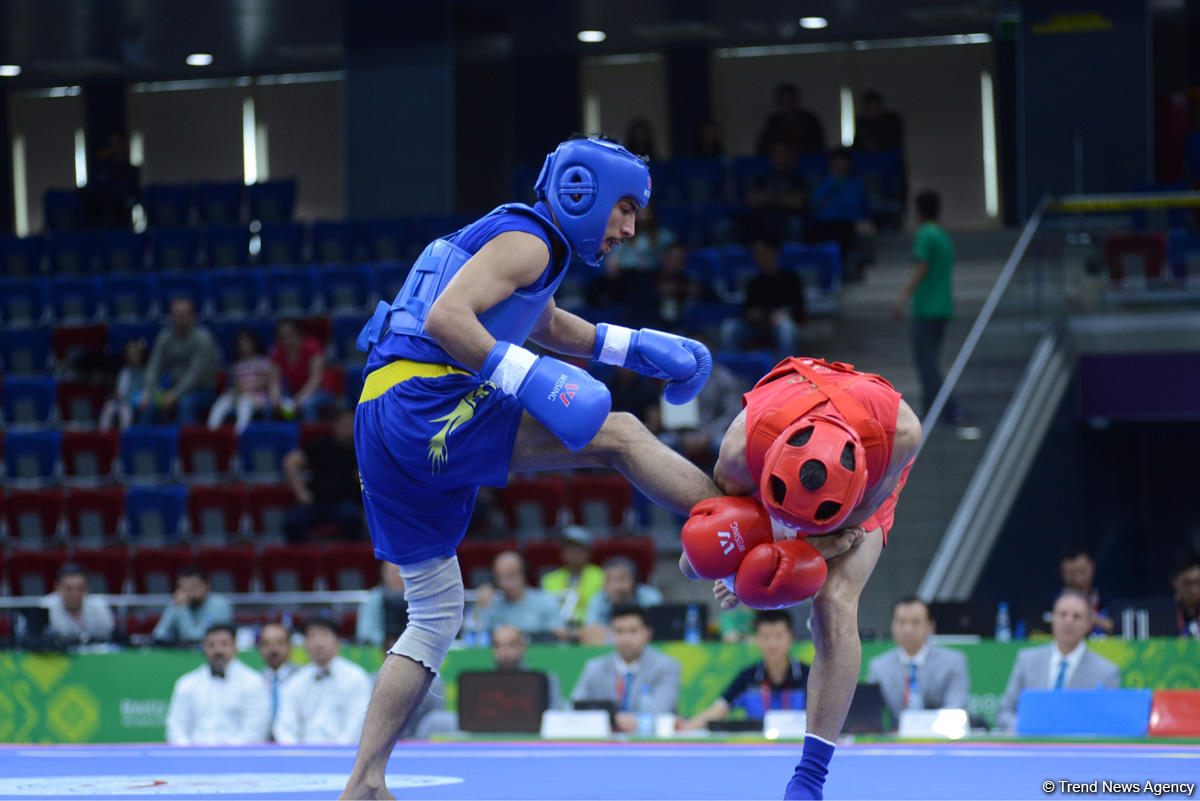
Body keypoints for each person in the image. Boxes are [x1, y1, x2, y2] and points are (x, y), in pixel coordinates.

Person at [341, 136, 717, 800]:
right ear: (582, 192)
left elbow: (541, 322)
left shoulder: (521, 242)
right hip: (426, 401)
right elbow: (447, 318)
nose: (629, 228)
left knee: (432, 613)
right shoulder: (530, 241)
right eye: (624, 208)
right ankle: (737, 529)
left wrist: (631, 348)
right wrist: (529, 377)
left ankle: (365, 780)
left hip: (380, 410)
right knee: (621, 433)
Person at [678, 355, 922, 799]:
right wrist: (736, 567)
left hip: (864, 466)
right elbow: (712, 539)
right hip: (783, 425)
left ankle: (809, 778)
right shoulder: (738, 454)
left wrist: (793, 557)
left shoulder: (901, 436)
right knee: (698, 557)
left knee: (834, 604)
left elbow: (847, 536)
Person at [997, 589, 1121, 733]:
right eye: (1063, 614)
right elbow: (1005, 712)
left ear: (1089, 623)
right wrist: (1025, 727)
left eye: (1077, 617)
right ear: (1053, 618)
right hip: (1032, 748)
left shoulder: (1106, 672)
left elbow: (1109, 723)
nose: (1068, 622)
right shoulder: (1027, 661)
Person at [412, 624, 567, 737]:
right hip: (481, 736)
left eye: (511, 645)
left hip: (529, 738)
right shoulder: (478, 683)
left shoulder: (545, 680)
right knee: (434, 721)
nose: (504, 652)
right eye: (498, 646)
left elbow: (554, 723)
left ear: (522, 647)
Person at [893, 190, 961, 425]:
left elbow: (922, 268)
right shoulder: (943, 236)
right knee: (929, 362)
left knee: (927, 363)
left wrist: (902, 298)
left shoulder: (925, 234)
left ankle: (947, 408)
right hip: (941, 307)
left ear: (919, 210)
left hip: (927, 308)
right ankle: (935, 411)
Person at [681, 610, 809, 730]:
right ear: (757, 639)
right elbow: (718, 710)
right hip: (757, 747)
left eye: (779, 636)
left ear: (792, 637)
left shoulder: (809, 676)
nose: (772, 644)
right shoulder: (747, 677)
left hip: (799, 746)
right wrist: (685, 727)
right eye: (766, 637)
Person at [571, 605, 681, 733]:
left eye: (633, 631)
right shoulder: (595, 668)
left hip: (650, 744)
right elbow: (576, 708)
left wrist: (621, 721)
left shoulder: (666, 667)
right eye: (619, 631)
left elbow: (661, 712)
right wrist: (615, 720)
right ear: (610, 634)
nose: (626, 639)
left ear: (648, 633)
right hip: (604, 744)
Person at [165, 624, 272, 745]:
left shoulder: (254, 682)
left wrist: (224, 755)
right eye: (211, 645)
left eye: (224, 644)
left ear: (235, 646)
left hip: (240, 759)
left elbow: (255, 730)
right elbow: (175, 727)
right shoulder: (186, 684)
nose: (218, 650)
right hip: (194, 759)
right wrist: (191, 755)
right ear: (203, 648)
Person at [865, 597, 969, 722]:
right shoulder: (879, 667)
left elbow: (956, 708)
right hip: (896, 738)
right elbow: (870, 714)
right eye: (901, 622)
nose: (907, 629)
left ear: (930, 626)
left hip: (939, 737)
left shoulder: (953, 662)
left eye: (915, 623)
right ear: (892, 626)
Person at [274, 618, 372, 744]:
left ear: (338, 641)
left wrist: (335, 754)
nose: (318, 643)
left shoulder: (357, 678)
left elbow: (357, 725)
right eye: (312, 636)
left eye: (325, 636)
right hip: (302, 756)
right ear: (304, 643)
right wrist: (296, 754)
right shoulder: (294, 682)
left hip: (346, 756)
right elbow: (285, 727)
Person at [282, 408, 364, 543]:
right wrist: (301, 492)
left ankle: (343, 559)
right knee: (293, 522)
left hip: (346, 503)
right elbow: (290, 462)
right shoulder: (321, 445)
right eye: (344, 425)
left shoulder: (361, 450)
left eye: (351, 425)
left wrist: (362, 477)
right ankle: (306, 557)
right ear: (336, 425)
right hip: (316, 501)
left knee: (352, 519)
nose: (347, 429)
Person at [720, 238, 805, 360]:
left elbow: (799, 307)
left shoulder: (790, 278)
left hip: (779, 324)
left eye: (763, 253)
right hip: (757, 325)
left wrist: (785, 312)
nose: (760, 257)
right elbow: (746, 308)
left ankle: (787, 371)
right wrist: (751, 314)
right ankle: (734, 372)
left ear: (774, 253)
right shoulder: (754, 281)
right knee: (729, 328)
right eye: (757, 254)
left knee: (786, 328)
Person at [139, 297, 220, 424]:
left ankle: (186, 443)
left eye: (184, 315)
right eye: (176, 315)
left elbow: (195, 375)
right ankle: (144, 442)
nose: (180, 319)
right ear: (170, 317)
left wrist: (174, 395)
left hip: (202, 390)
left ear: (192, 316)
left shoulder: (203, 339)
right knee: (150, 404)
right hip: (172, 389)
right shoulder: (165, 337)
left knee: (186, 404)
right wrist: (150, 392)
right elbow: (154, 367)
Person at [207, 328, 281, 433]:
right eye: (241, 344)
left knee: (244, 402)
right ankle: (212, 431)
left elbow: (267, 382)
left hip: (257, 398)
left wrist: (249, 387)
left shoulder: (264, 362)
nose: (244, 347)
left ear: (254, 344)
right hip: (239, 394)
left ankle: (238, 434)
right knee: (222, 401)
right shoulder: (236, 366)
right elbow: (235, 385)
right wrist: (238, 389)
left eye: (247, 343)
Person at [807, 149, 866, 277]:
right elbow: (816, 202)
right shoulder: (825, 182)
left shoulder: (855, 184)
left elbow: (853, 204)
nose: (840, 165)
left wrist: (831, 203)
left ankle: (840, 272)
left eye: (843, 161)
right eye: (836, 161)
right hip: (824, 223)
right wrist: (831, 183)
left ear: (848, 163)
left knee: (842, 235)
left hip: (846, 223)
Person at [475, 551, 563, 638]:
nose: (504, 583)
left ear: (523, 574)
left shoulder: (545, 602)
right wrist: (481, 608)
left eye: (511, 575)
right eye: (499, 577)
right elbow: (477, 637)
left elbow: (558, 637)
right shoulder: (492, 605)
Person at [539, 525, 606, 626]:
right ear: (562, 552)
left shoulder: (602, 576)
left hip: (591, 629)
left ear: (588, 552)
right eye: (569, 549)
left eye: (579, 549)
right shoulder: (549, 579)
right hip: (558, 631)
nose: (574, 553)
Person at [152, 564, 234, 645]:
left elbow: (195, 639)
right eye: (183, 588)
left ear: (206, 586)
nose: (188, 593)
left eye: (193, 588)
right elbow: (158, 634)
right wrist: (176, 607)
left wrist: (182, 609)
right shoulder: (178, 602)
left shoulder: (219, 605)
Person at [582, 557, 664, 635]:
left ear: (634, 581)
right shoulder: (598, 599)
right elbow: (590, 629)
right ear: (604, 585)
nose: (618, 586)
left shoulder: (650, 596)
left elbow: (659, 626)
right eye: (612, 580)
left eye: (622, 579)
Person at [744, 143, 807, 245]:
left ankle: (791, 257)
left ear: (788, 157)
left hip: (787, 219)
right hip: (764, 219)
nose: (779, 159)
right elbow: (752, 199)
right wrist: (782, 199)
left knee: (795, 224)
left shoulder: (796, 179)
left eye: (782, 155)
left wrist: (768, 198)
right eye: (776, 155)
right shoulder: (763, 178)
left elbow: (797, 202)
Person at [270, 318, 331, 421]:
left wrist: (298, 400)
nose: (286, 340)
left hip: (320, 392)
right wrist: (276, 400)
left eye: (289, 335)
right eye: (282, 337)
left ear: (299, 334)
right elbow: (274, 381)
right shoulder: (277, 352)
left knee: (308, 405)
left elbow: (315, 380)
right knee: (270, 406)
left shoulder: (312, 347)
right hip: (293, 393)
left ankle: (311, 436)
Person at [40, 563, 115, 643]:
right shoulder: (45, 607)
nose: (75, 594)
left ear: (88, 588)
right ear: (57, 588)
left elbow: (109, 638)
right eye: (68, 589)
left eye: (80, 588)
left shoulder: (100, 607)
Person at [756, 83, 826, 157]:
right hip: (778, 164)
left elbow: (818, 146)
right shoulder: (772, 122)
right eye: (784, 101)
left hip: (806, 162)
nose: (787, 104)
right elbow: (762, 147)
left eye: (790, 100)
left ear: (796, 101)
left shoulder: (810, 121)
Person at [1057, 547, 1113, 636]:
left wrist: (1095, 619)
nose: (1078, 579)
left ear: (1092, 567)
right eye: (1071, 574)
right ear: (1062, 572)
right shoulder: (1050, 601)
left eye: (1082, 571)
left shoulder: (1108, 599)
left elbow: (1120, 630)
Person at [99, 337, 148, 430]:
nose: (133, 357)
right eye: (130, 354)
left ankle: (123, 439)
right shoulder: (124, 372)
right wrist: (116, 395)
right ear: (126, 356)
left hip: (134, 403)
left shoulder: (144, 373)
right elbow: (120, 391)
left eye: (135, 354)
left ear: (141, 355)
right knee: (108, 407)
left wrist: (137, 399)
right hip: (122, 402)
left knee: (125, 412)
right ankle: (103, 436)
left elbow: (145, 392)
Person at [257, 621, 299, 729]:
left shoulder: (302, 678)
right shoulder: (254, 680)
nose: (273, 650)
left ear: (290, 646)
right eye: (266, 644)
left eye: (279, 643)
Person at [356, 561, 407, 647]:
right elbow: (365, 633)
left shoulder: (419, 597)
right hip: (379, 650)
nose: (397, 576)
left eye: (400, 572)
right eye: (392, 572)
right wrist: (387, 642)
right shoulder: (372, 598)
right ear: (383, 574)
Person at [1171, 553, 1200, 638]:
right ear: (1175, 583)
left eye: (1198, 583)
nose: (1193, 590)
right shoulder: (1164, 615)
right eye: (1188, 583)